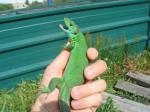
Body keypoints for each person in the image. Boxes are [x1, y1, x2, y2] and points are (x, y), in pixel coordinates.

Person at [32, 48, 107, 112]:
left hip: (65, 86)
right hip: (65, 88)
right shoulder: (72, 49)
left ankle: (49, 90)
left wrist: (48, 90)